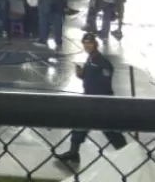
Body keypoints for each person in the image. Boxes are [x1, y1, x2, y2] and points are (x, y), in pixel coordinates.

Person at [54, 33, 127, 164]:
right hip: (89, 101)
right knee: (80, 125)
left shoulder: (102, 62)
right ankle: (73, 153)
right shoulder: (90, 59)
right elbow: (91, 78)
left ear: (95, 44)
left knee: (111, 131)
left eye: (90, 43)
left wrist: (96, 97)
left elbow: (105, 82)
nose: (87, 45)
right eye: (85, 43)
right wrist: (81, 75)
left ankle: (127, 154)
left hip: (102, 103)